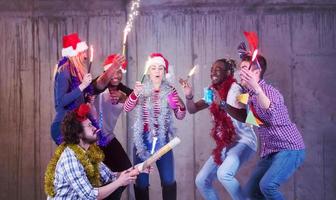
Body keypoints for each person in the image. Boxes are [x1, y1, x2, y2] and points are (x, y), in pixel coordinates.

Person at [180, 58, 257, 200]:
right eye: (212, 69)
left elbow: (244, 116)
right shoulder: (212, 91)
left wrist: (221, 103)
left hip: (245, 141)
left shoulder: (237, 89)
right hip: (228, 143)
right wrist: (188, 95)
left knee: (224, 174)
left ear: (228, 72)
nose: (213, 72)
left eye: (218, 69)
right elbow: (193, 109)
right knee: (201, 180)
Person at [238, 54, 305, 200]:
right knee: (251, 191)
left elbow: (271, 113)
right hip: (271, 151)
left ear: (256, 72)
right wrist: (224, 105)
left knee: (267, 186)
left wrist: (256, 88)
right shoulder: (249, 95)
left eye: (244, 68)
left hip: (289, 148)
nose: (239, 72)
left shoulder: (269, 92)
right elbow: (251, 119)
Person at [44, 104, 140, 200]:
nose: (95, 128)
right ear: (78, 133)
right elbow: (90, 195)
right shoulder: (70, 158)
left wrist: (138, 168)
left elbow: (110, 176)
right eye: (89, 126)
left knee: (114, 187)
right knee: (115, 187)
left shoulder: (89, 152)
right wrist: (120, 182)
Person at [124, 53, 186, 200]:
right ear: (148, 71)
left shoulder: (170, 90)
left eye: (160, 68)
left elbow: (180, 116)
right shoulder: (141, 88)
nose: (157, 71)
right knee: (141, 182)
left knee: (168, 180)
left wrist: (179, 106)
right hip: (143, 141)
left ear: (164, 72)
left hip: (163, 141)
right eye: (153, 68)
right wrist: (135, 93)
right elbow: (126, 108)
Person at [51, 32, 124, 145]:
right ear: (76, 53)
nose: (86, 55)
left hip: (75, 125)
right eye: (83, 51)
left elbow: (78, 98)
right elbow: (60, 102)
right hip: (63, 127)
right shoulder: (64, 71)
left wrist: (87, 99)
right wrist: (82, 86)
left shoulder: (76, 72)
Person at [92, 54, 133, 199]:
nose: (116, 75)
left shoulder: (123, 89)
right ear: (106, 71)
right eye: (113, 70)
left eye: (119, 71)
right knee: (99, 179)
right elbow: (96, 86)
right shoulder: (98, 84)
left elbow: (138, 101)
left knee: (128, 171)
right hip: (91, 140)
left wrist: (124, 98)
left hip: (108, 138)